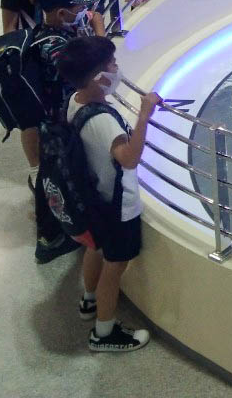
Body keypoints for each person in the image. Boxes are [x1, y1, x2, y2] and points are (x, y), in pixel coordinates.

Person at [56, 35, 159, 352]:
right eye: (111, 64)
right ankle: (104, 332)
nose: (117, 68)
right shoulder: (102, 120)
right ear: (98, 77)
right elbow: (129, 158)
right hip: (116, 206)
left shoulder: (75, 101)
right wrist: (144, 116)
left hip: (94, 200)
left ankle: (89, 300)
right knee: (115, 267)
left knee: (95, 249)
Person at [30, 0, 107, 263]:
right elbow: (92, 69)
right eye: (80, 6)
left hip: (56, 122)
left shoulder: (55, 34)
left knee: (55, 175)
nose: (84, 11)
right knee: (58, 178)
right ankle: (50, 239)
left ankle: (57, 232)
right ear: (62, 13)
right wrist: (99, 31)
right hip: (56, 127)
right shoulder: (54, 46)